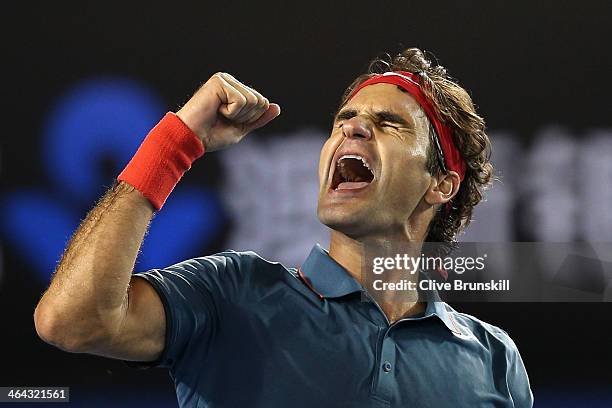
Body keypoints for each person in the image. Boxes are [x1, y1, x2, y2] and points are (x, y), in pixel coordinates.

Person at [34, 48, 533, 407]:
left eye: (388, 124)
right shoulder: (231, 293)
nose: (351, 129)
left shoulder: (494, 362)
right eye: (345, 119)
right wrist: (174, 145)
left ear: (441, 185)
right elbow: (71, 321)